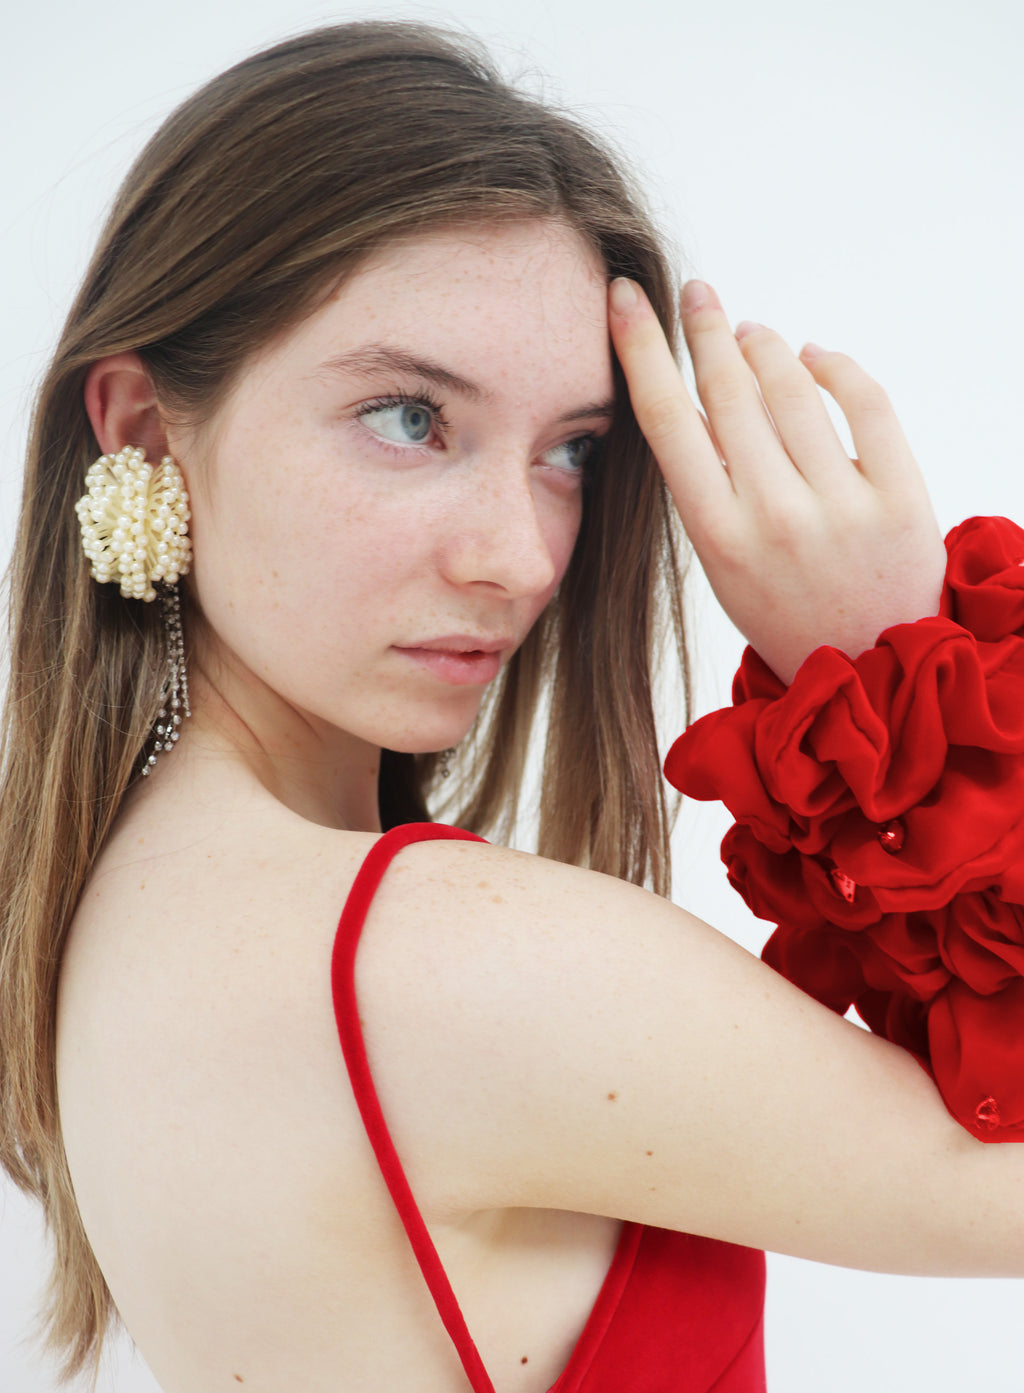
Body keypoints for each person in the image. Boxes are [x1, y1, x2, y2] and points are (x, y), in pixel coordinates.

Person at [1, 19, 1022, 1393]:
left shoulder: (119, 913)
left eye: (572, 450)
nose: (524, 555)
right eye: (410, 415)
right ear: (140, 430)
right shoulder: (417, 959)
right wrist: (890, 663)